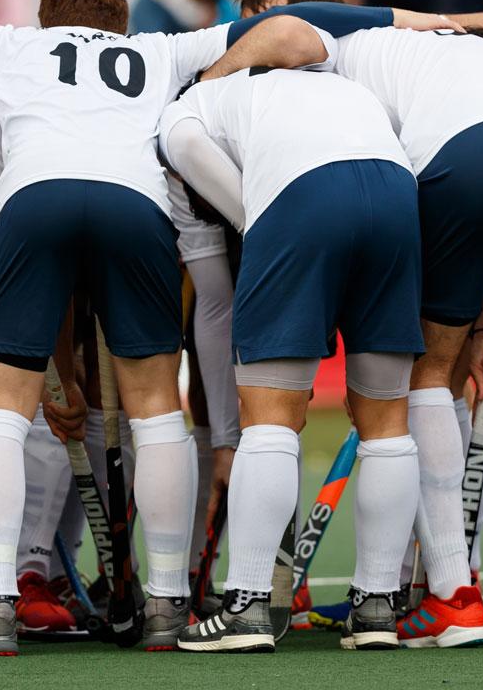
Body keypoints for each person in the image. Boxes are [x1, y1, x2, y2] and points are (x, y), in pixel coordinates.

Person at [0, 0, 455, 654]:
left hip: (36, 199)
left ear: (49, 19)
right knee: (157, 406)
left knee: (5, 410)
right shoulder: (159, 50)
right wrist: (418, 20)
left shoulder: (9, 43)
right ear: (121, 26)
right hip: (134, 204)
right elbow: (290, 32)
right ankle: (166, 604)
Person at [233, 0, 483, 648]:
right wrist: (475, 322)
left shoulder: (329, 57)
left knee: (420, 377)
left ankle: (453, 596)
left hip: (466, 152)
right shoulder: (435, 38)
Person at [161, 63, 423, 653]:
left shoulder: (186, 107)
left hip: (299, 197)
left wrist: (264, 227)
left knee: (270, 418)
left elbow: (190, 155)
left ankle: (248, 606)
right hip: (395, 195)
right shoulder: (351, 84)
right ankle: (378, 606)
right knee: (386, 422)